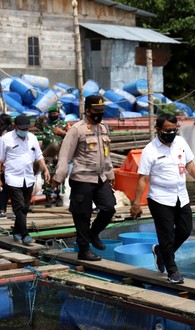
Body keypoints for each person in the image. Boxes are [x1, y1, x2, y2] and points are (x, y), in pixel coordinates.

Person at [130, 114, 195, 284]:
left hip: (181, 195)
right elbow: (143, 178)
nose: (171, 133)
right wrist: (136, 203)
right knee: (166, 235)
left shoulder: (180, 142)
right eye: (167, 130)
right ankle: (173, 271)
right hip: (160, 198)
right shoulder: (150, 150)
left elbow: (189, 164)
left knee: (185, 230)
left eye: (174, 130)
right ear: (158, 130)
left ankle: (160, 251)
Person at [52, 94, 116, 261]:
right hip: (82, 179)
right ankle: (84, 249)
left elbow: (107, 154)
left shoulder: (103, 128)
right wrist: (58, 177)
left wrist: (110, 174)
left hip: (101, 178)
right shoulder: (77, 130)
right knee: (82, 215)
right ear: (87, 111)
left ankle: (93, 233)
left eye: (102, 111)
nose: (99, 114)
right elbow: (65, 155)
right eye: (96, 111)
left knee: (109, 208)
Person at [0, 114, 50, 245]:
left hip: (28, 177)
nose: (24, 131)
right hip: (13, 178)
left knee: (24, 207)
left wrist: (45, 169)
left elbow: (39, 155)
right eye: (22, 129)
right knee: (18, 207)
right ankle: (25, 235)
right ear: (15, 126)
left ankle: (16, 231)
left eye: (27, 129)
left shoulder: (32, 138)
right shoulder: (6, 139)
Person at [34, 105, 68, 207]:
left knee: (60, 175)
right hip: (47, 154)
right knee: (47, 176)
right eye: (53, 114)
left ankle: (59, 197)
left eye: (56, 114)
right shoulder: (45, 124)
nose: (55, 115)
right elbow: (36, 124)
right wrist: (41, 117)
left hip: (59, 154)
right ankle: (48, 198)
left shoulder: (63, 124)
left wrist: (62, 133)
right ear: (49, 114)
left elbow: (71, 136)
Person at [0, 114, 13, 220]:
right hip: (9, 165)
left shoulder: (3, 135)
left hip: (4, 166)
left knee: (4, 189)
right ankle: (14, 211)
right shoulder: (12, 133)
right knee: (11, 190)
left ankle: (3, 211)